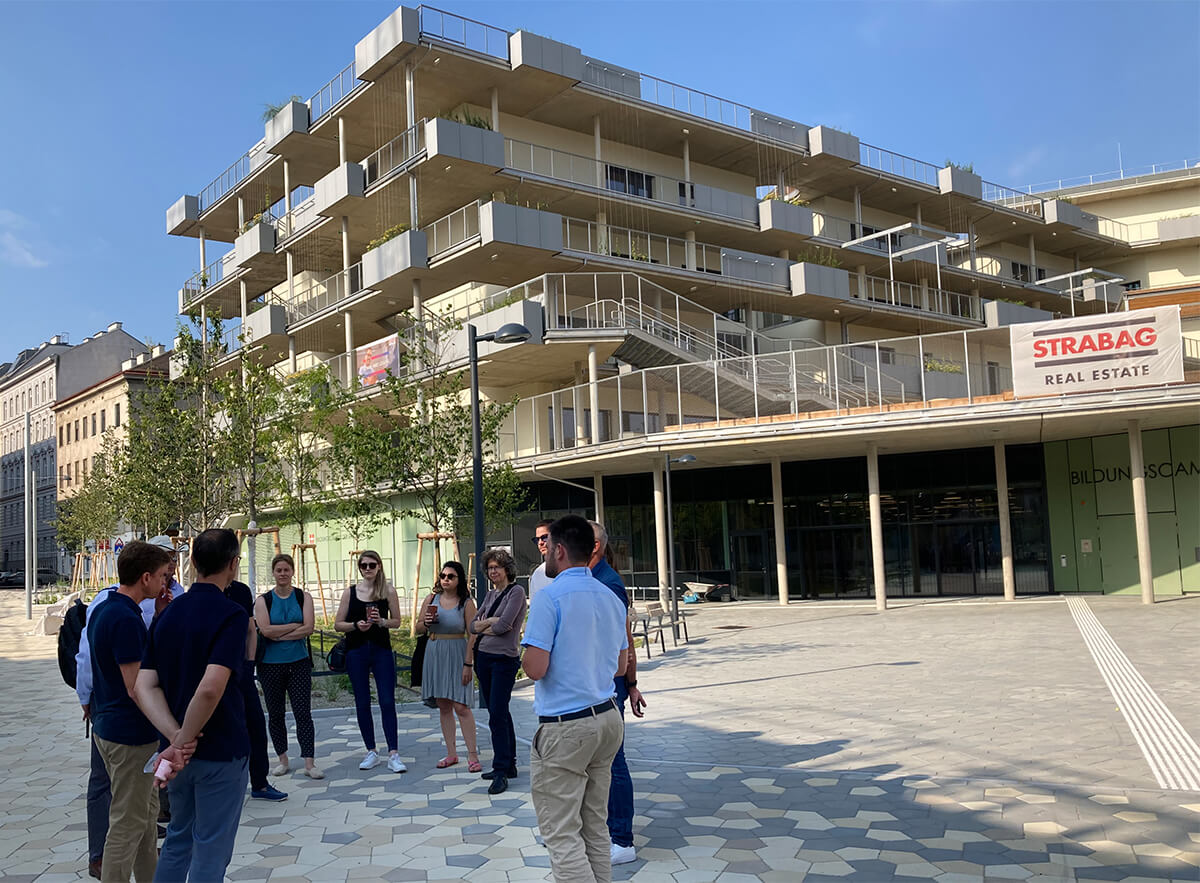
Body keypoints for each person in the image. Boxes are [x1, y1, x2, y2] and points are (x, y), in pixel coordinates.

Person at [135, 528, 252, 882]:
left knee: (178, 840)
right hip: (220, 750)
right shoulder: (230, 615)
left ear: (193, 563)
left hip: (177, 756)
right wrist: (184, 739)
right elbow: (210, 690)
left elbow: (144, 685)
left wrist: (174, 741)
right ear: (233, 564)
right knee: (211, 850)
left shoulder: (167, 613)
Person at [523, 514, 629, 883]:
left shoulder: (549, 597)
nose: (545, 553)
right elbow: (620, 664)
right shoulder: (611, 596)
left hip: (566, 725)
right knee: (594, 826)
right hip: (607, 718)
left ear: (561, 550)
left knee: (561, 831)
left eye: (547, 547)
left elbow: (534, 668)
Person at [76, 537, 180, 879]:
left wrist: (161, 616)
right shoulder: (124, 619)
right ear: (146, 577)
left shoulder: (108, 607)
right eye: (164, 575)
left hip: (111, 728)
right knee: (127, 823)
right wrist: (173, 733)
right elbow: (137, 688)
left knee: (146, 819)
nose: (167, 582)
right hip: (129, 736)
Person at [588, 521, 647, 866]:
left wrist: (630, 682)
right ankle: (606, 833)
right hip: (599, 685)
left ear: (594, 546)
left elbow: (623, 641)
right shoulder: (593, 580)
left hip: (606, 687)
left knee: (614, 762)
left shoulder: (608, 583)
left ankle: (622, 839)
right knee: (603, 762)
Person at [334, 550, 407, 773]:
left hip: (381, 650)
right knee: (362, 702)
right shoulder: (350, 592)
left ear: (379, 566)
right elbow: (338, 624)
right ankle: (371, 750)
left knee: (387, 700)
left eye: (371, 565)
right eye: (363, 565)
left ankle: (393, 753)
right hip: (356, 651)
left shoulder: (388, 591)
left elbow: (397, 622)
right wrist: (356, 625)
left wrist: (381, 621)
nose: (367, 569)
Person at [254, 553, 322, 780]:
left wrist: (279, 633)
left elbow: (309, 627)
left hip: (298, 662)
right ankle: (282, 759)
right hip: (269, 665)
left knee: (303, 712)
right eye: (278, 570)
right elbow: (265, 630)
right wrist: (294, 627)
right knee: (275, 713)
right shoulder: (264, 600)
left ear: (293, 572)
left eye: (286, 570)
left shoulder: (304, 597)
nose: (283, 574)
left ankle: (309, 762)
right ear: (273, 573)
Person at [469, 547, 527, 795]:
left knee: (497, 714)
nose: (493, 572)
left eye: (497, 567)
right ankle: (509, 763)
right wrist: (488, 623)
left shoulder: (516, 592)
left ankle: (501, 770)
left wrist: (490, 623)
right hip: (483, 658)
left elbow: (504, 627)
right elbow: (472, 625)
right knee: (498, 712)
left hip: (503, 660)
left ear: (507, 569)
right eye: (490, 568)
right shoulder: (491, 596)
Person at [224, 576, 288, 802]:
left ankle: (259, 783)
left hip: (242, 670)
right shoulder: (201, 593)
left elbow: (251, 628)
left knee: (256, 726)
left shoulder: (241, 590)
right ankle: (227, 785)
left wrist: (249, 661)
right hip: (215, 671)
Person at [416, 560, 480, 772]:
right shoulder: (431, 599)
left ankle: (472, 754)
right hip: (435, 650)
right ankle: (451, 753)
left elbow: (473, 635)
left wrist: (468, 663)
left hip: (457, 651)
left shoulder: (467, 603)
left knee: (461, 706)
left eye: (451, 576)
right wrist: (425, 622)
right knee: (443, 704)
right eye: (443, 576)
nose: (445, 580)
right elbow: (417, 629)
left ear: (459, 579)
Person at [528, 520, 554, 601]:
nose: (540, 543)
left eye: (544, 537)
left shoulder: (574, 568)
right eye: (537, 539)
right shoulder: (538, 574)